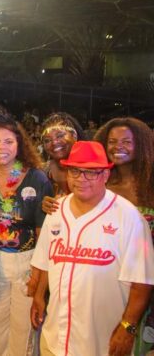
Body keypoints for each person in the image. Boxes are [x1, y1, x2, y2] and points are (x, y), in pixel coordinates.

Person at [30, 141, 154, 356]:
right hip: (55, 335)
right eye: (75, 171)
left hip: (102, 339)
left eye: (91, 173)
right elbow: (45, 260)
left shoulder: (129, 217)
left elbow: (141, 281)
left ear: (105, 175)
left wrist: (128, 327)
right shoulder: (56, 210)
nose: (81, 179)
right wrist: (39, 296)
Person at [0, 118, 52, 355]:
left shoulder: (37, 179)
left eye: (8, 141)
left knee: (24, 329)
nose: (2, 147)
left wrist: (38, 274)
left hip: (28, 261)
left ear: (19, 144)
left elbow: (44, 234)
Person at [92, 117, 154, 354]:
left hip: (145, 284)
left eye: (127, 142)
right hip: (106, 277)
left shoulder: (150, 185)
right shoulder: (99, 183)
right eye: (112, 141)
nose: (118, 147)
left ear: (141, 144)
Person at [39, 112, 85, 214]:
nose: (54, 142)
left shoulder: (92, 169)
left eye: (60, 136)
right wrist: (43, 205)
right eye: (47, 140)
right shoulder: (42, 172)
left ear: (74, 136)